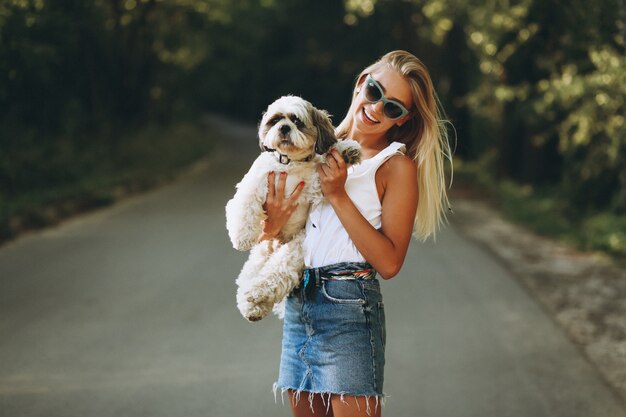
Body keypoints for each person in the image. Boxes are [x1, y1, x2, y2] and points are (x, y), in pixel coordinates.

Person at [260, 50, 453, 417]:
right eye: (376, 91)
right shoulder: (310, 142)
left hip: (349, 306)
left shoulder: (395, 165)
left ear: (404, 119)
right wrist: (272, 225)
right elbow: (272, 236)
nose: (377, 108)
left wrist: (337, 194)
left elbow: (390, 262)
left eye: (393, 108)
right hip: (300, 303)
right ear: (362, 82)